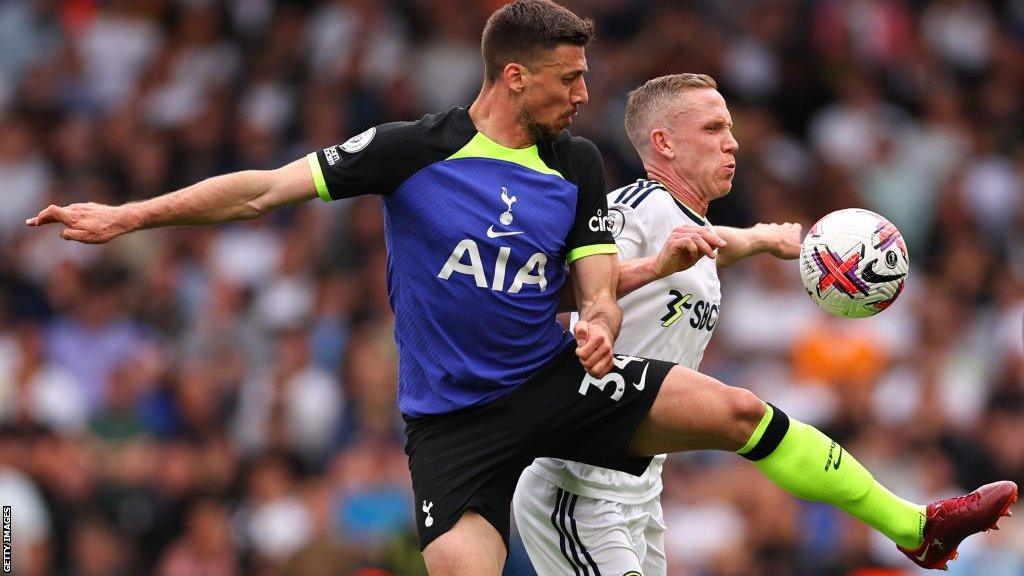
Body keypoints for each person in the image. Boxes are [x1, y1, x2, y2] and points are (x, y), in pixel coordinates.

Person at [26, 2, 1016, 574]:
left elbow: (591, 279)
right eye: (567, 79)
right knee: (466, 571)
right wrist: (127, 216)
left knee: (739, 409)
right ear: (511, 75)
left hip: (551, 381)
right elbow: (262, 192)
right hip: (452, 423)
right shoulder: (414, 149)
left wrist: (594, 324)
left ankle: (911, 528)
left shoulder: (575, 164)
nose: (583, 95)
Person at [513, 73, 802, 576]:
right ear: (663, 142)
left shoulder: (687, 223)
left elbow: (711, 243)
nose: (732, 142)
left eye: (730, 128)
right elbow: (572, 282)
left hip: (639, 490)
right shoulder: (633, 210)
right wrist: (649, 272)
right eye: (713, 128)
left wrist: (762, 239)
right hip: (580, 485)